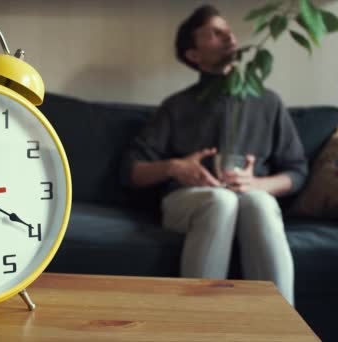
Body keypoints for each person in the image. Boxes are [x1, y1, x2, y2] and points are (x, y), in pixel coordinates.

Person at [121, 5, 308, 306]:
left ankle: (283, 329)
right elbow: (131, 171)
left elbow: (297, 171)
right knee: (221, 200)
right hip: (189, 200)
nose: (228, 35)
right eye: (214, 33)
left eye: (227, 29)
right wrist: (175, 167)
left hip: (250, 199)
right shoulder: (177, 106)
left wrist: (258, 184)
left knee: (256, 201)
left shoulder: (268, 102)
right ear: (193, 55)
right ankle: (198, 325)